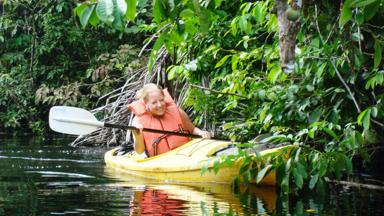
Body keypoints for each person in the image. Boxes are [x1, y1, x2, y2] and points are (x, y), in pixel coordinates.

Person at [127, 83, 212, 158]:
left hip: (185, 153)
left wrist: (201, 132)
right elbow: (140, 151)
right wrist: (137, 136)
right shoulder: (138, 121)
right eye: (154, 102)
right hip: (160, 159)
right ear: (146, 104)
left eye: (161, 100)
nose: (159, 105)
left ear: (164, 98)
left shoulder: (178, 112)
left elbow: (192, 129)